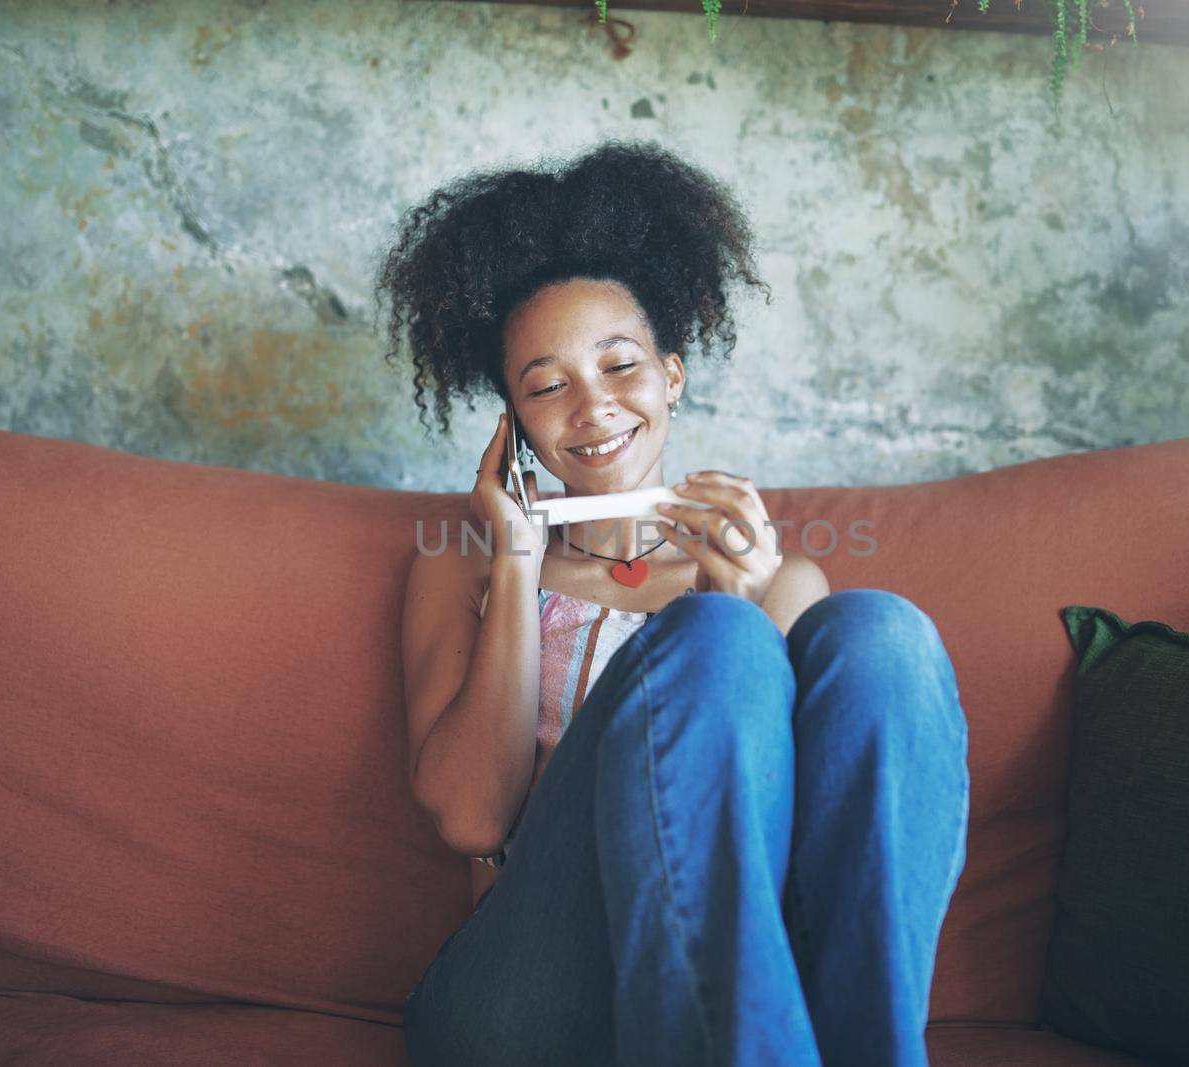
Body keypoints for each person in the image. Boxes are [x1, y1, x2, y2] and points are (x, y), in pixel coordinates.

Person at [376, 138, 970, 1067]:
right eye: (546, 386)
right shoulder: (463, 567)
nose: (593, 407)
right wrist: (520, 568)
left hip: (742, 983)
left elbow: (790, 852)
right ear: (512, 420)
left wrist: (734, 612)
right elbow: (473, 822)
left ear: (672, 376)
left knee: (879, 632)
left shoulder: (779, 582)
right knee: (715, 639)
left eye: (620, 366)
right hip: (523, 1000)